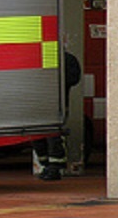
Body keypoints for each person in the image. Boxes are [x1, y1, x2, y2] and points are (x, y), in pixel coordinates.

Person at [34, 51, 82, 181]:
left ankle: (55, 167)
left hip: (56, 104)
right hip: (39, 104)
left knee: (53, 136)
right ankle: (47, 165)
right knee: (38, 136)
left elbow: (74, 79)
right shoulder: (41, 57)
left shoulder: (66, 58)